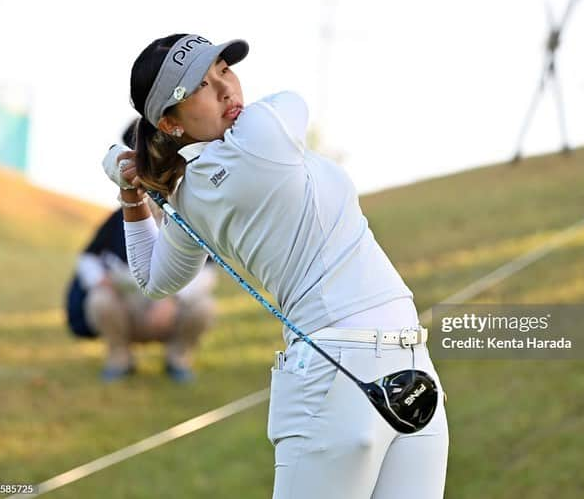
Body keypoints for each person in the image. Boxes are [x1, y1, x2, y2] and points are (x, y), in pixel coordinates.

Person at [104, 33, 448, 498]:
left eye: (224, 70)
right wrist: (144, 185)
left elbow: (151, 277)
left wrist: (132, 193)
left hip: (408, 362)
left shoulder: (189, 196)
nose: (226, 89)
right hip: (336, 375)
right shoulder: (262, 132)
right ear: (169, 121)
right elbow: (294, 101)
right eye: (202, 86)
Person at [66, 123, 217, 382]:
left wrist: (173, 300)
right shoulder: (117, 217)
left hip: (171, 312)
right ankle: (119, 358)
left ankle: (177, 359)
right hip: (130, 310)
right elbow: (89, 257)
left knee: (205, 306)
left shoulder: (187, 213)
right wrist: (100, 280)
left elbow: (208, 271)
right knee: (99, 299)